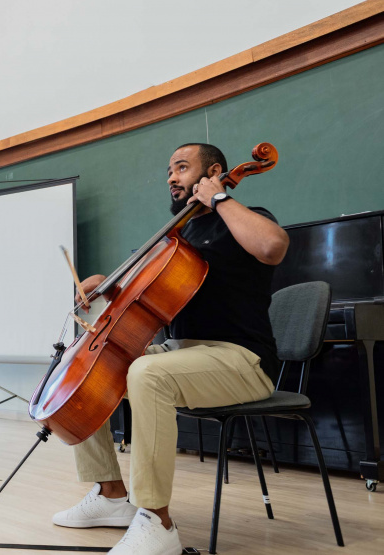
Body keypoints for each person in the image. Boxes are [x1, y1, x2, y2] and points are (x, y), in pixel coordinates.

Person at [52, 143, 289, 555]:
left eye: (182, 167)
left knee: (147, 373)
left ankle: (156, 521)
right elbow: (152, 294)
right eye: (169, 170)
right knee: (90, 363)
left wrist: (219, 197)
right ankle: (110, 496)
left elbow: (273, 247)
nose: (171, 177)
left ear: (213, 171)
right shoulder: (179, 237)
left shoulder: (244, 219)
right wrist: (107, 285)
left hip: (241, 359)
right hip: (183, 353)